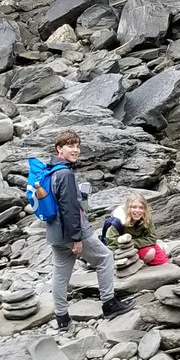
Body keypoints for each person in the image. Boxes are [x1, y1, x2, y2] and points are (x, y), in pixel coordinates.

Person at [46, 131, 134, 330]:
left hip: (55, 233)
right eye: (70, 146)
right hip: (73, 232)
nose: (76, 150)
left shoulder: (50, 171)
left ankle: (62, 318)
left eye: (77, 146)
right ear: (59, 149)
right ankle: (109, 304)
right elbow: (69, 208)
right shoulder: (65, 174)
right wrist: (77, 238)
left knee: (60, 275)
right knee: (105, 258)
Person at [102, 194, 168, 265]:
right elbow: (112, 245)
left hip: (141, 245)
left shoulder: (146, 219)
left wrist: (132, 243)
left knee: (164, 263)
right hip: (123, 251)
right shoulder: (117, 222)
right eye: (134, 207)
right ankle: (136, 264)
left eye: (141, 207)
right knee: (150, 253)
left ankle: (143, 261)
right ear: (128, 208)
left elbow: (152, 238)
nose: (137, 210)